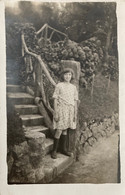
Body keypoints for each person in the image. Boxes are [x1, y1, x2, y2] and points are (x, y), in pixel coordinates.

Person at [51, 67, 79, 159]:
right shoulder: (59, 85)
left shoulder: (73, 87)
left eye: (70, 74)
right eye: (66, 74)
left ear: (72, 76)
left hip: (70, 110)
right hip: (61, 109)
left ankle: (63, 149)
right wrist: (56, 113)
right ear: (63, 75)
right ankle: (54, 150)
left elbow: (75, 101)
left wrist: (75, 114)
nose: (68, 76)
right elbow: (55, 99)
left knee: (65, 129)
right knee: (59, 129)